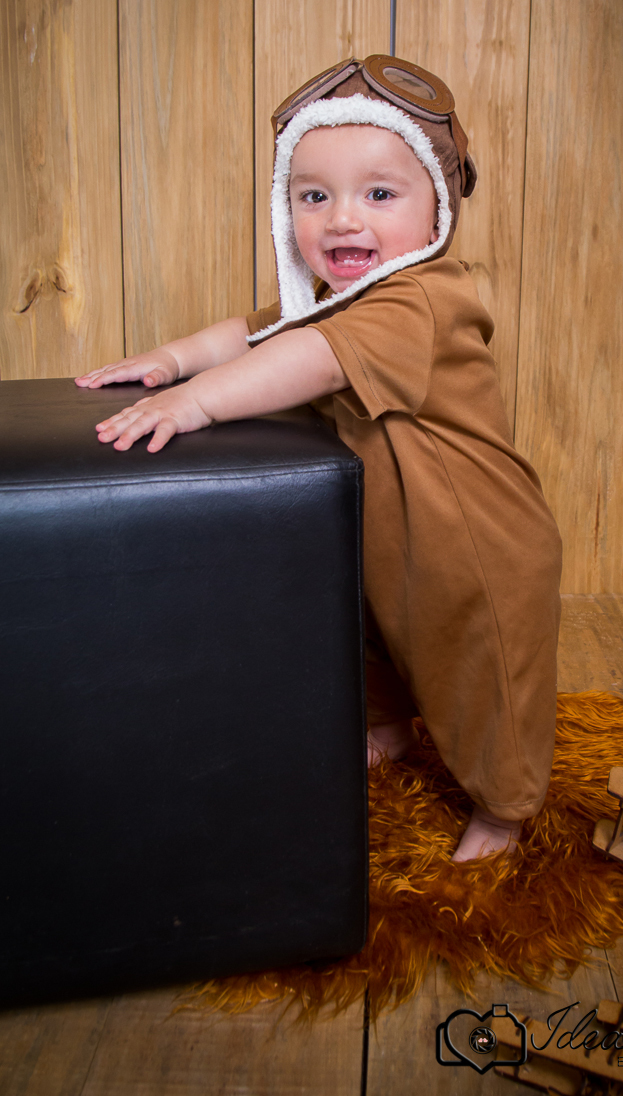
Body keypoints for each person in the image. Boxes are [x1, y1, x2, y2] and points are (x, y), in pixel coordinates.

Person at [76, 56, 562, 862]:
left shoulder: (423, 297)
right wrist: (170, 360)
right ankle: (390, 727)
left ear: (436, 213)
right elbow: (256, 334)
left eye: (379, 195)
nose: (342, 220)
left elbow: (311, 359)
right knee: (373, 636)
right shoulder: (338, 298)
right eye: (314, 196)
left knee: (484, 677)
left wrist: (195, 403)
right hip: (392, 526)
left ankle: (504, 808)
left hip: (477, 543)